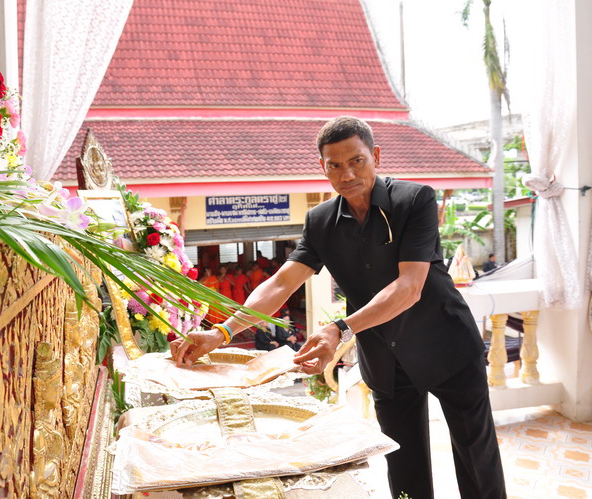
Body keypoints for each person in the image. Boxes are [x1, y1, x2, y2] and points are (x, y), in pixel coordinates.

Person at [171, 116, 506, 499]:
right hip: (387, 362)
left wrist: (340, 329)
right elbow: (281, 283)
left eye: (356, 161)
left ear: (376, 156)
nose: (346, 174)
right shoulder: (321, 222)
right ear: (323, 167)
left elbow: (409, 288)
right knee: (405, 471)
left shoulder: (414, 200)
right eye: (335, 165)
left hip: (446, 348)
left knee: (477, 464)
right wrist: (222, 332)